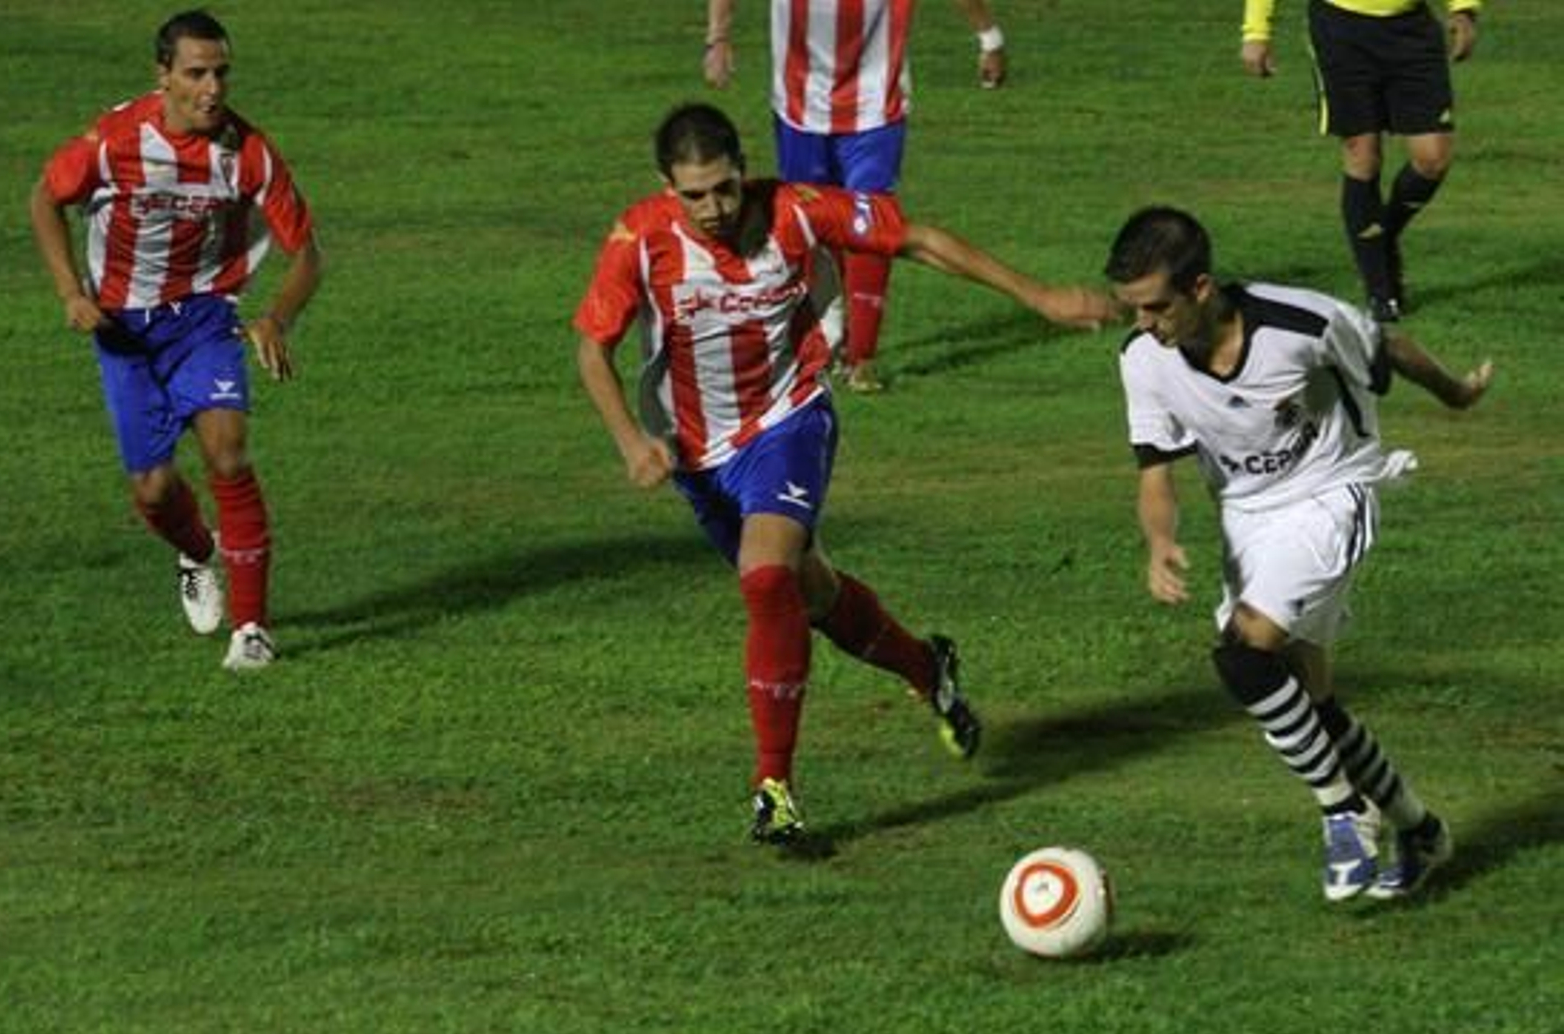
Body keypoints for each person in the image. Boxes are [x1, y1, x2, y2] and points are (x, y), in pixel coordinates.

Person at [574, 103, 1111, 844]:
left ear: (743, 169)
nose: (715, 209)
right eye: (694, 195)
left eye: (725, 188)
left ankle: (775, 788)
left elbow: (916, 238)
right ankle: (928, 668)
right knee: (811, 594)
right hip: (697, 456)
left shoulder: (795, 212)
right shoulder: (639, 239)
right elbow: (590, 349)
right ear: (667, 187)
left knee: (765, 577)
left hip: (789, 422)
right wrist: (633, 442)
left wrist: (1038, 296)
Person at [1105, 206, 1492, 900]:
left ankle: (1343, 810)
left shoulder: (1299, 324)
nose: (1144, 324)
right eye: (1132, 309)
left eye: (1155, 307)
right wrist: (1160, 541)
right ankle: (1422, 829)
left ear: (1200, 289)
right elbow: (1154, 471)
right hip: (1246, 521)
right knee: (1312, 702)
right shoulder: (1144, 361)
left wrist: (1456, 394)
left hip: (1329, 495)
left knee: (1243, 651)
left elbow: (1386, 347)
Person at [29, 9, 323, 670]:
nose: (213, 88)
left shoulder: (247, 152)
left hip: (203, 318)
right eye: (196, 73)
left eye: (221, 72)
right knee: (154, 491)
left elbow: (309, 255)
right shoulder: (113, 139)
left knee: (227, 451)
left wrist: (276, 317)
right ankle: (198, 552)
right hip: (124, 330)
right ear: (163, 75)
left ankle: (252, 628)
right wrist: (71, 293)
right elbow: (43, 199)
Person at [703, 0, 1010, 393]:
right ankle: (825, 332)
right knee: (813, 226)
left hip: (875, 105)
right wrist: (718, 37)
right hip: (799, 104)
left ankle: (862, 356)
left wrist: (989, 37)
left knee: (870, 223)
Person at [1240, 0, 1484, 323]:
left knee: (1432, 158)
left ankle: (1380, 236)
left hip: (1411, 30)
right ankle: (1379, 291)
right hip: (1340, 29)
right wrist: (1256, 30)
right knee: (1362, 152)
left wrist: (1463, 9)